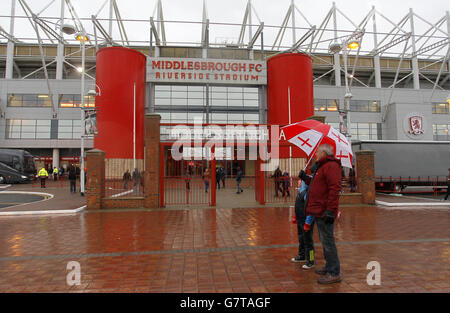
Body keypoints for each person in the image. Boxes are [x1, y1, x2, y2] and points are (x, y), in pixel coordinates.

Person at [299, 144, 342, 284]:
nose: (316, 154)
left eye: (318, 152)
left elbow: (334, 189)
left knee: (328, 242)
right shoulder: (322, 167)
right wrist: (305, 177)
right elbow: (316, 184)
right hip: (319, 210)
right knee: (324, 241)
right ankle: (329, 266)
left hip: (325, 211)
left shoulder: (331, 166)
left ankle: (334, 272)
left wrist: (330, 210)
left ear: (324, 153)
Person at [292, 163, 317, 269]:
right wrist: (296, 216)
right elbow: (299, 202)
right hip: (301, 216)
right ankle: (302, 255)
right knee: (301, 237)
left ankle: (310, 260)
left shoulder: (314, 185)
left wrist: (308, 221)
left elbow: (311, 206)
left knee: (308, 241)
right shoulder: (304, 185)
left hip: (307, 219)